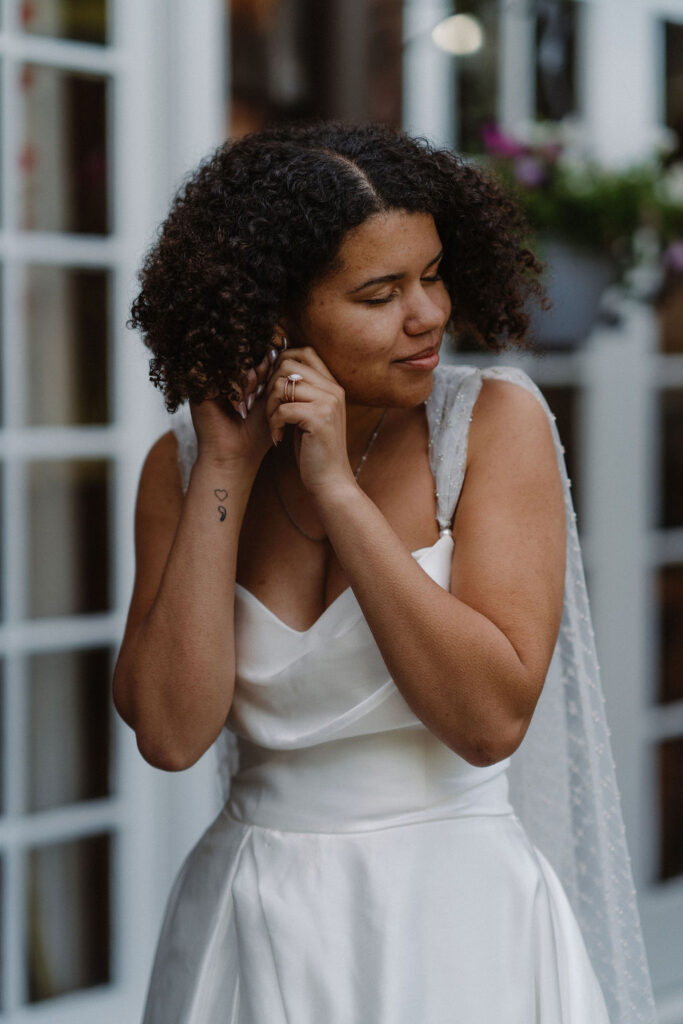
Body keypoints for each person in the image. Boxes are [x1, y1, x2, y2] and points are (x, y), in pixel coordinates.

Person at [114, 122, 657, 1023]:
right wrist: (223, 464)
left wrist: (338, 493)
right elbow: (172, 737)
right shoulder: (183, 470)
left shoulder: (491, 426)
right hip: (249, 922)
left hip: (453, 923)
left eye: (433, 274)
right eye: (379, 292)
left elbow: (488, 722)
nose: (429, 314)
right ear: (277, 315)